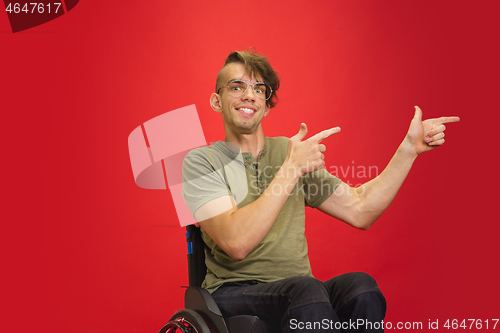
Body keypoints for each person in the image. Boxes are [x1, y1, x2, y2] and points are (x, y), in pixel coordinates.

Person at [181, 50, 459, 332]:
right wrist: (292, 169)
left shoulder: (289, 153)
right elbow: (236, 243)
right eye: (236, 87)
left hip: (298, 292)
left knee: (361, 288)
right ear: (217, 101)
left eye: (258, 89)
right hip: (232, 292)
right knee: (306, 291)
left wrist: (408, 151)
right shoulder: (202, 161)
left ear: (266, 105)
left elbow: (361, 209)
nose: (249, 95)